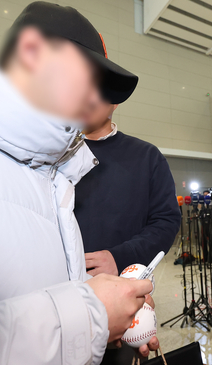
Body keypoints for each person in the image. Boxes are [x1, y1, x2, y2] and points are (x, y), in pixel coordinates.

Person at [0, 1, 158, 364]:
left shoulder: (47, 172)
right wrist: (90, 315)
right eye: (89, 77)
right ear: (31, 52)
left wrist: (106, 307)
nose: (95, 98)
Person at [74, 95, 180, 364]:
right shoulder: (50, 155)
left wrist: (118, 258)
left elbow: (166, 220)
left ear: (115, 100)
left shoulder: (146, 157)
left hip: (123, 309)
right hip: (59, 309)